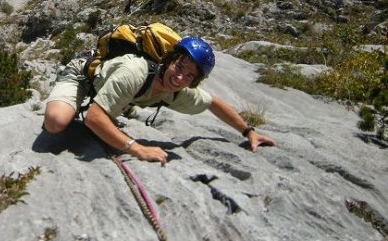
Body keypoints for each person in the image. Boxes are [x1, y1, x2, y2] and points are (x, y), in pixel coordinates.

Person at [43, 36, 277, 165]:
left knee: (106, 118)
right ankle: (68, 97)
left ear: (193, 81)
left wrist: (248, 132)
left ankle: (107, 106)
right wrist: (137, 150)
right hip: (83, 77)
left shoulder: (177, 91)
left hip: (106, 89)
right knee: (56, 122)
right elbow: (94, 118)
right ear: (170, 59)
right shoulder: (135, 72)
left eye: (189, 76)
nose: (179, 77)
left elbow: (213, 103)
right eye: (179, 66)